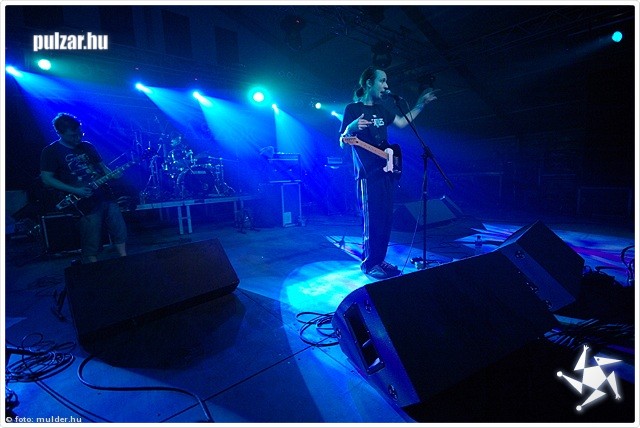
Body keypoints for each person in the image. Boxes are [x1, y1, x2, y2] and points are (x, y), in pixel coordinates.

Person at [339, 66, 437, 279]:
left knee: (385, 220)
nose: (386, 85)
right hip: (367, 175)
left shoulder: (382, 110)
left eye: (386, 81)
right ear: (369, 83)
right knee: (372, 220)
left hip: (386, 171)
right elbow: (343, 140)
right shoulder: (352, 109)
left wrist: (421, 104)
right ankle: (369, 264)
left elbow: (402, 122)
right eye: (382, 81)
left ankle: (379, 259)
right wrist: (351, 128)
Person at [40, 112, 127, 263]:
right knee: (91, 238)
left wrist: (114, 174)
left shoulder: (87, 146)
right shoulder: (51, 151)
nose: (78, 138)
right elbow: (47, 179)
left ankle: (125, 260)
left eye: (80, 134)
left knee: (118, 228)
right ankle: (93, 269)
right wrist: (75, 190)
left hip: (104, 194)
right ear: (59, 133)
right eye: (73, 136)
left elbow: (103, 168)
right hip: (83, 201)